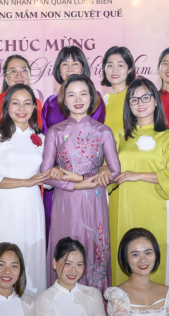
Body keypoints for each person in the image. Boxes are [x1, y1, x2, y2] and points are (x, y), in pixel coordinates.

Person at [40, 75, 120, 291]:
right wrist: (76, 184)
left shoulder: (103, 131)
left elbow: (115, 172)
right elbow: (45, 175)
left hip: (94, 201)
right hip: (65, 202)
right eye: (71, 94)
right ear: (64, 100)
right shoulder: (55, 132)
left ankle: (96, 307)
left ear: (92, 98)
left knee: (94, 253)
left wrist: (102, 170)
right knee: (66, 251)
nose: (78, 99)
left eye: (83, 93)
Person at [110, 80, 169, 285]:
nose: (140, 103)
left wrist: (138, 175)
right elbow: (109, 170)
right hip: (123, 206)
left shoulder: (168, 137)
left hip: (155, 205)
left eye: (145, 97)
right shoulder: (120, 137)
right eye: (134, 99)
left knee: (155, 255)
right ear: (128, 105)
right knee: (124, 253)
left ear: (156, 101)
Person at [0, 84, 53, 297]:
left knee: (31, 254)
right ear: (7, 107)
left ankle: (32, 306)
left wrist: (54, 175)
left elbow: (47, 183)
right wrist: (26, 181)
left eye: (27, 103)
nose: (21, 108)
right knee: (4, 252)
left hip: (31, 204)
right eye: (16, 103)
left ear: (34, 108)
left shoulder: (42, 139)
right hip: (4, 203)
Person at [42, 45, 105, 130]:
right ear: (59, 70)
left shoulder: (94, 97)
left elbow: (96, 131)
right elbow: (45, 134)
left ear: (83, 69)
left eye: (75, 64)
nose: (70, 69)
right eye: (65, 64)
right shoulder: (50, 102)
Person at [0, 55, 40, 132]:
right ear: (5, 76)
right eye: (13, 71)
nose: (19, 75)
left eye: (23, 70)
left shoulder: (37, 103)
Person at [100, 46, 135, 139]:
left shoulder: (134, 96)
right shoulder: (102, 100)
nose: (115, 70)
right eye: (110, 65)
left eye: (120, 65)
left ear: (129, 69)